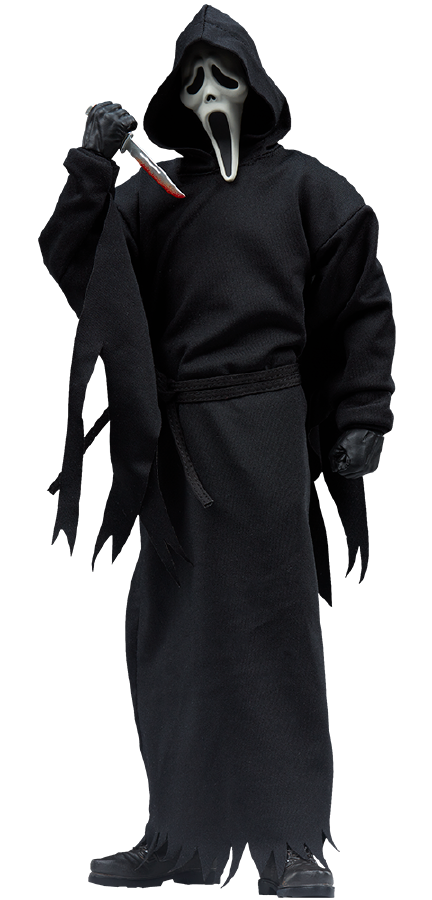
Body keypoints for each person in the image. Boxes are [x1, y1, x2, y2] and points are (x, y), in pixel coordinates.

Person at [39, 5, 396, 894]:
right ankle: (183, 836)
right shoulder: (151, 199)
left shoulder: (310, 189)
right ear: (177, 95)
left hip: (267, 431)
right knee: (172, 640)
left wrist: (364, 411)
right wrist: (90, 163)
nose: (208, 94)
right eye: (194, 80)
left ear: (255, 87)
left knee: (275, 635)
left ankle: (292, 842)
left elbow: (362, 299)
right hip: (177, 447)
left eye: (223, 77)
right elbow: (76, 266)